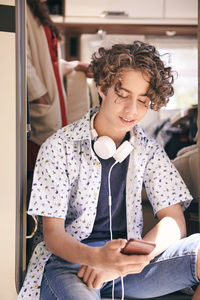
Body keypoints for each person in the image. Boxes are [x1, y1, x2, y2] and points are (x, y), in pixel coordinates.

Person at [18, 41, 200, 300]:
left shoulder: (149, 149)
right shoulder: (58, 146)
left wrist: (124, 263)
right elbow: (53, 236)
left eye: (143, 100)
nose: (132, 110)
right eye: (122, 95)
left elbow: (174, 221)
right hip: (71, 265)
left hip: (129, 266)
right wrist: (97, 258)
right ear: (102, 87)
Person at [26, 0, 91, 171]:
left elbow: (48, 63)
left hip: (52, 101)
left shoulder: (37, 10)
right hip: (39, 102)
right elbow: (20, 59)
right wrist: (37, 94)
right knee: (41, 166)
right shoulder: (21, 8)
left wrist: (75, 65)